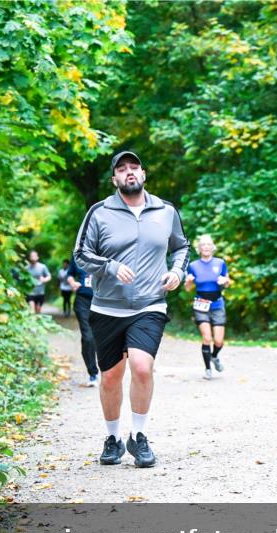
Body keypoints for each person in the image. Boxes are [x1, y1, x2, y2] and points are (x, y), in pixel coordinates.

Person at [73, 150, 190, 469]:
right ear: (114, 179)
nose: (129, 173)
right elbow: (81, 254)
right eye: (122, 169)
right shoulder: (99, 212)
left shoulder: (165, 211)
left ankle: (138, 437)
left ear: (143, 174)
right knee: (110, 377)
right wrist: (109, 266)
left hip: (150, 304)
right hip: (107, 308)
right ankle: (112, 439)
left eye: (134, 168)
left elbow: (181, 247)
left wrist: (178, 272)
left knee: (141, 367)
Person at [184, 235, 231, 380]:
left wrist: (225, 281)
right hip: (201, 305)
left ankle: (215, 357)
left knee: (218, 341)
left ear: (213, 247)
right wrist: (188, 282)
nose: (205, 246)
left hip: (217, 304)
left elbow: (228, 282)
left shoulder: (220, 263)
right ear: (199, 248)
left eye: (208, 244)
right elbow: (187, 288)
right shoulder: (193, 265)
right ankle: (208, 369)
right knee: (207, 337)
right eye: (203, 244)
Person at [65, 253, 99, 387]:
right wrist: (72, 283)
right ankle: (93, 373)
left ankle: (108, 369)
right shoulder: (78, 254)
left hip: (104, 301)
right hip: (83, 301)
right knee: (88, 337)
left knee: (100, 337)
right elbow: (70, 274)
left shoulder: (107, 250)